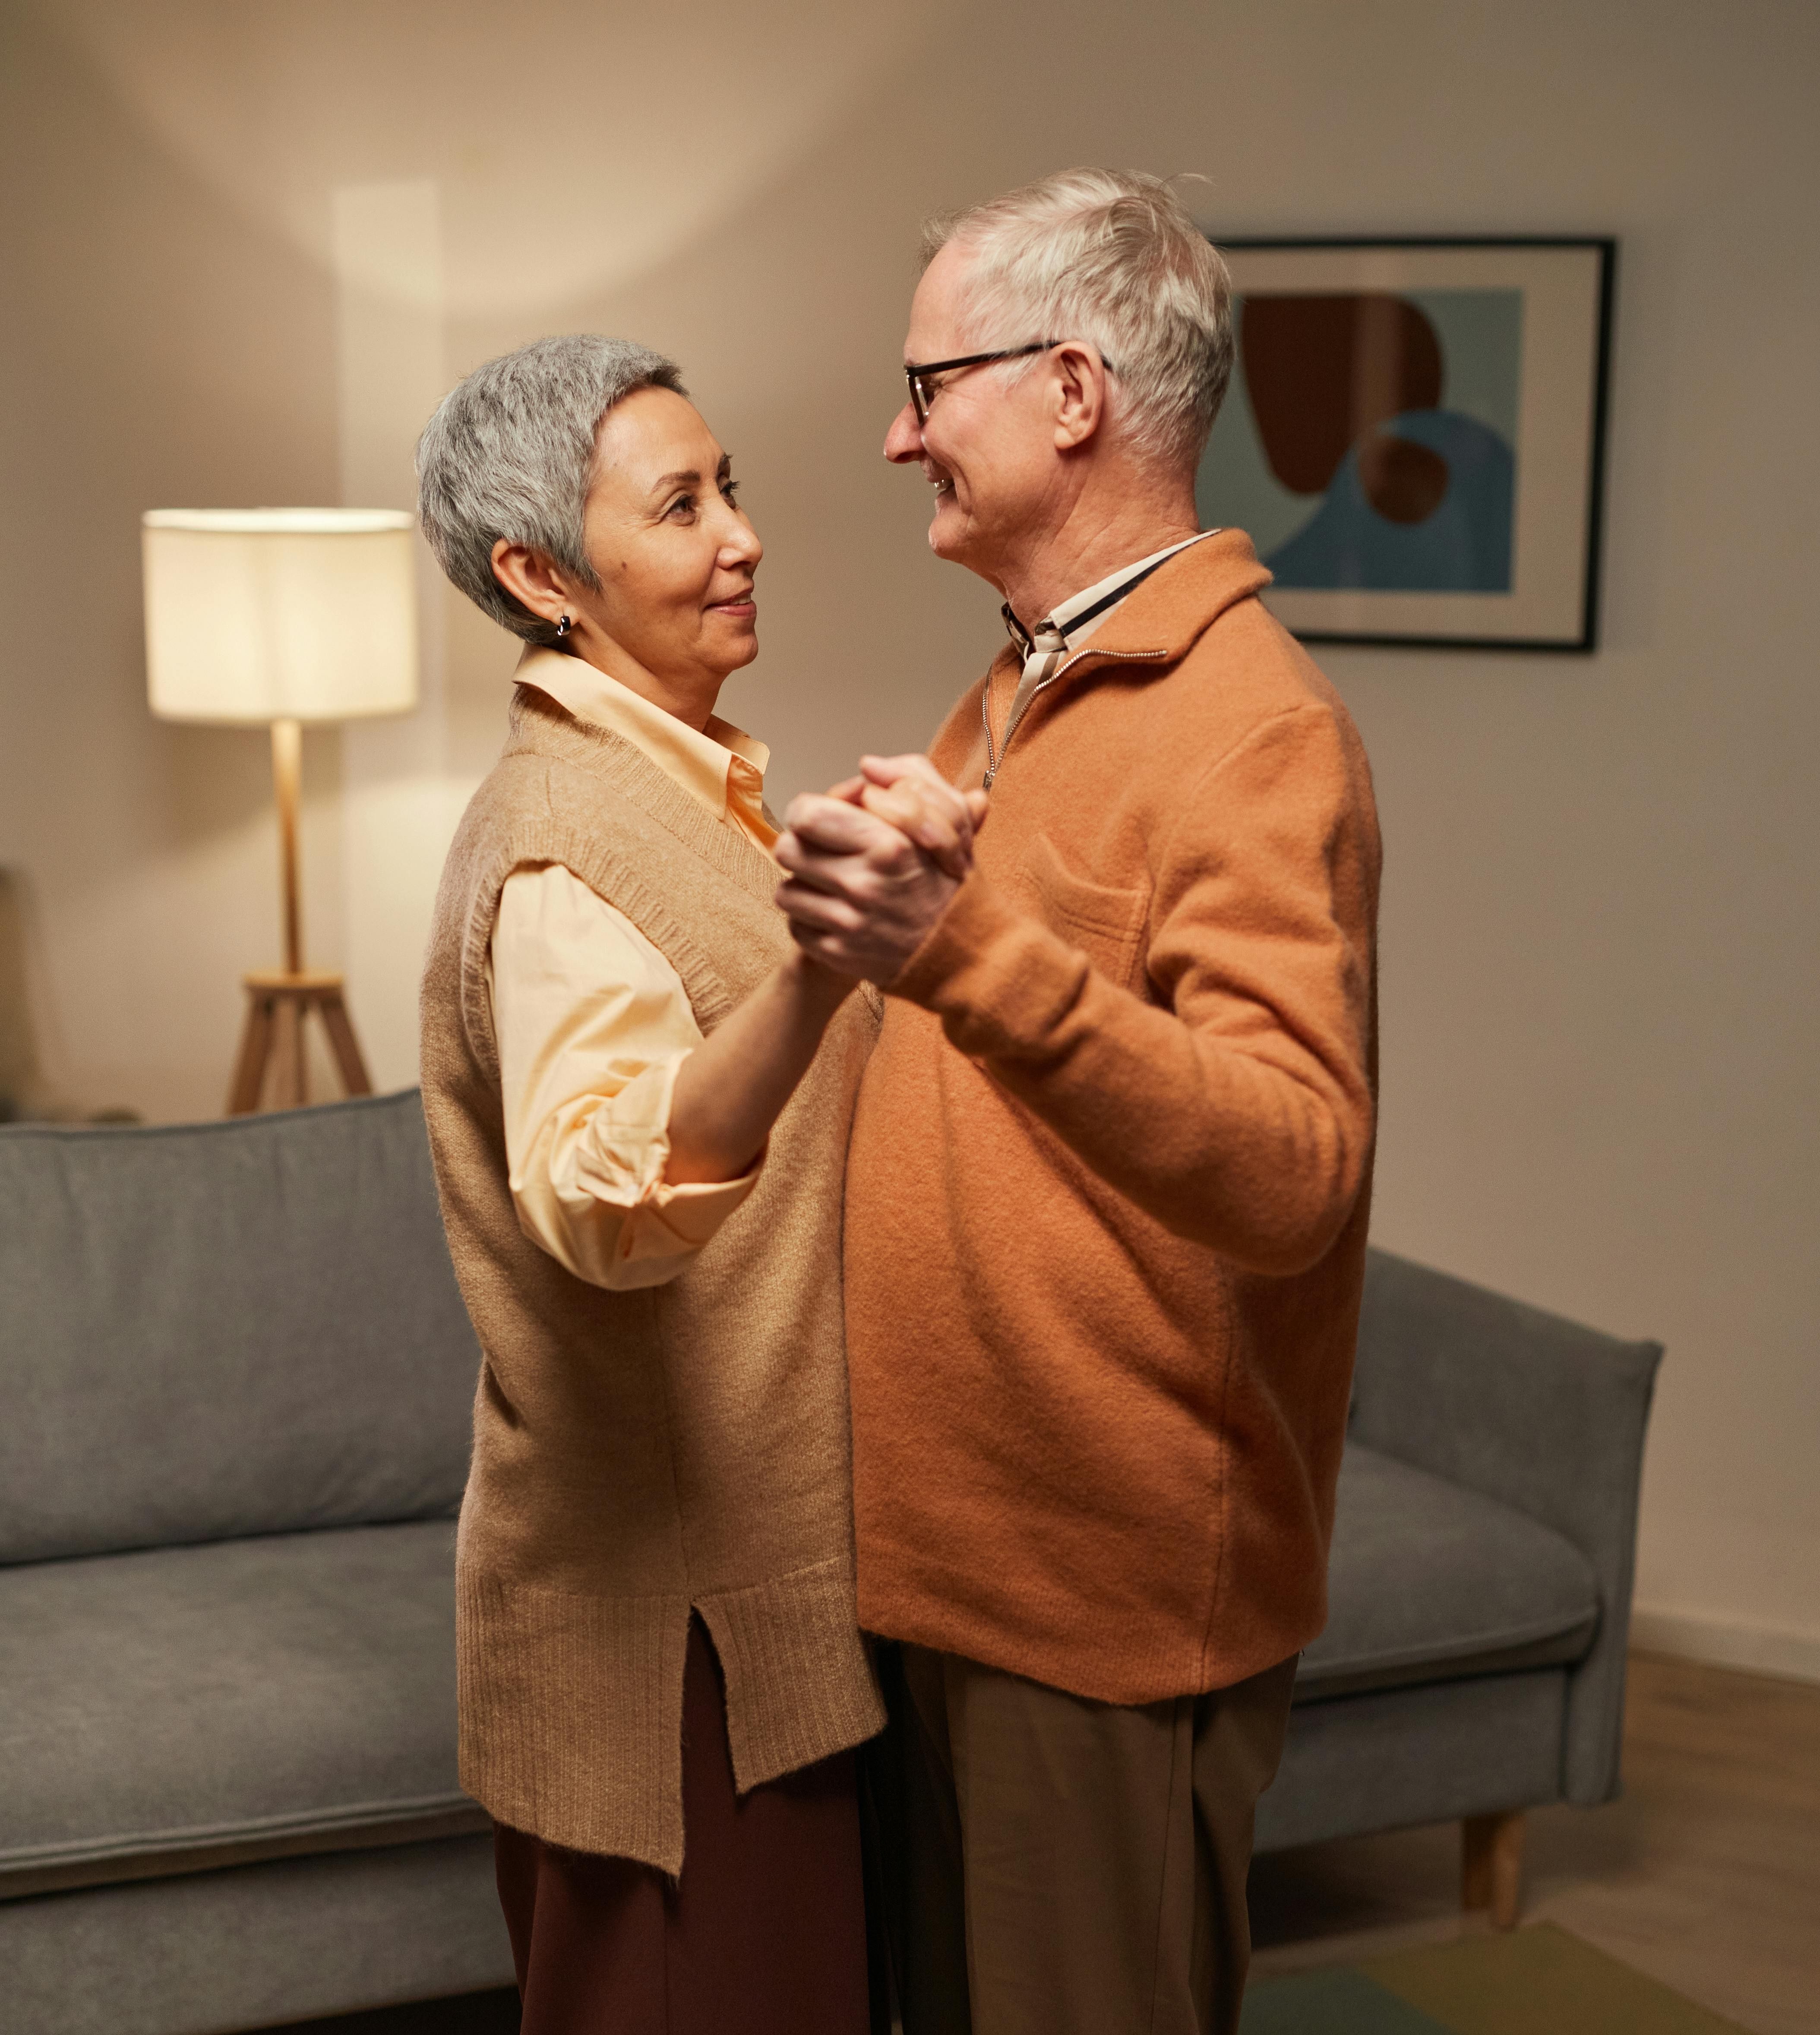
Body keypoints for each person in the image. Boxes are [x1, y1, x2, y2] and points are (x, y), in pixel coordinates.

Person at [775, 169, 1383, 2034]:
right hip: (940, 1566)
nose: (897, 437)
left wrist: (969, 954)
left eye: (926, 384)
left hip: (1099, 1605)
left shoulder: (1253, 732)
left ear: (1067, 392)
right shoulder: (1017, 694)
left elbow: (1295, 1169)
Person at [412, 334, 977, 2035]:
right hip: (669, 1658)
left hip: (768, 1617)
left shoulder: (695, 788)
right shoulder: (557, 844)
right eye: (678, 505)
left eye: (732, 486)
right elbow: (603, 1198)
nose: (739, 534)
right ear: (539, 576)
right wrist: (820, 972)